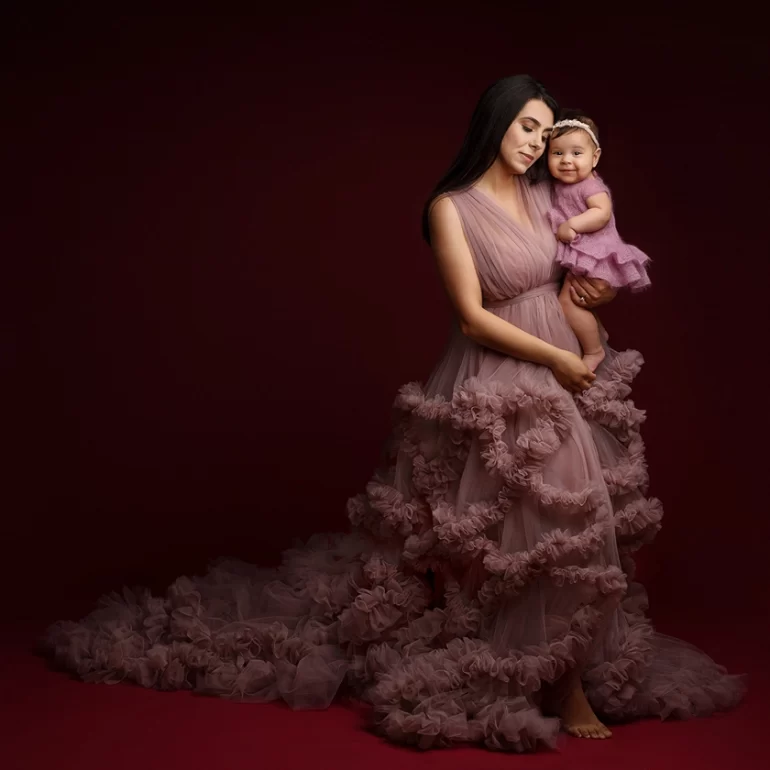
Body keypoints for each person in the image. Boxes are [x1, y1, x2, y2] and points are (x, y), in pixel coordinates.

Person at [45, 74, 745, 752]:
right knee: (516, 529)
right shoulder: (452, 206)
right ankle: (549, 681)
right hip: (500, 366)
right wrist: (557, 360)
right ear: (494, 122)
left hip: (564, 353)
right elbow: (471, 317)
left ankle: (564, 671)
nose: (536, 142)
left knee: (579, 521)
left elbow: (587, 257)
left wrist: (600, 299)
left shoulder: (549, 193)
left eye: (545, 129)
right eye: (525, 126)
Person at [546, 111, 651, 371]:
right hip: (586, 255)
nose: (566, 161)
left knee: (567, 303)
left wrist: (572, 224)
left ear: (595, 158)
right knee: (573, 300)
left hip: (596, 257)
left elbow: (601, 213)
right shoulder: (562, 185)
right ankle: (598, 334)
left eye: (576, 153)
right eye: (557, 153)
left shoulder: (591, 186)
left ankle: (593, 351)